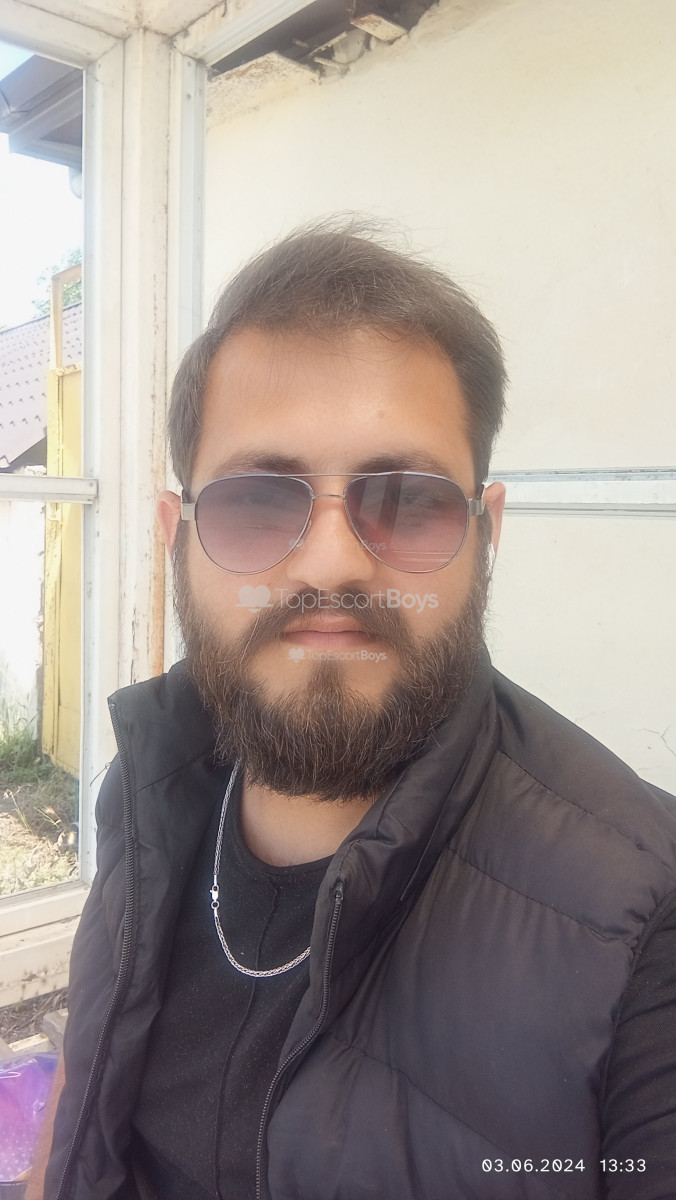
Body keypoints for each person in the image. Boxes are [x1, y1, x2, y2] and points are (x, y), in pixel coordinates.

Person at [42, 222, 676, 1200]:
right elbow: (87, 1078)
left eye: (407, 499)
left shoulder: (643, 919)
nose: (333, 562)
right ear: (177, 538)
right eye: (258, 499)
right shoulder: (147, 784)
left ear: (486, 535)